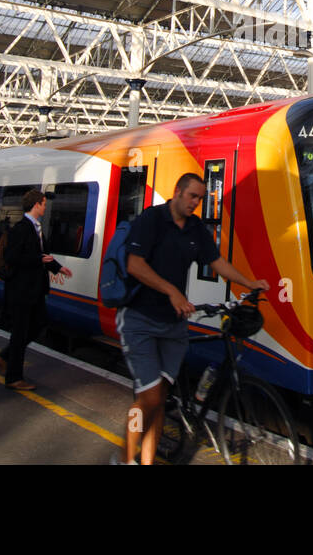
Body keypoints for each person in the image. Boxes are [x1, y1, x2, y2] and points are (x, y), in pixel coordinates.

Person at [115, 172, 269, 465]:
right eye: (192, 197)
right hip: (140, 320)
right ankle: (124, 458)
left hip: (173, 326)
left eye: (200, 199)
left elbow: (216, 262)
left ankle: (145, 461)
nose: (197, 203)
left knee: (159, 400)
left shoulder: (196, 228)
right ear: (177, 192)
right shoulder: (152, 220)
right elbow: (135, 265)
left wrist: (248, 283)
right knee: (147, 399)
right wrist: (172, 291)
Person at [0, 190, 71, 390]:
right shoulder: (22, 228)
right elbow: (13, 257)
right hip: (22, 290)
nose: (46, 208)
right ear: (36, 205)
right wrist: (38, 260)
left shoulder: (36, 228)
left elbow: (43, 254)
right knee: (20, 333)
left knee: (39, 324)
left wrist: (58, 268)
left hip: (35, 290)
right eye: (44, 204)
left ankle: (4, 356)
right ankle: (13, 378)